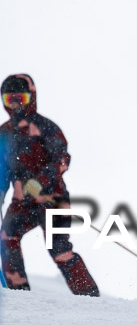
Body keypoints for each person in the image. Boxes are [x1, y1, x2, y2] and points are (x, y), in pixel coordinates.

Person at [0, 74, 99, 296]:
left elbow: (62, 159)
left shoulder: (44, 126)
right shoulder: (3, 133)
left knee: (59, 248)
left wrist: (40, 181)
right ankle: (19, 296)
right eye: (9, 99)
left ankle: (89, 297)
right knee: (6, 239)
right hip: (22, 202)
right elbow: (2, 171)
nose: (15, 104)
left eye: (20, 98)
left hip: (52, 199)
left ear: (31, 98)